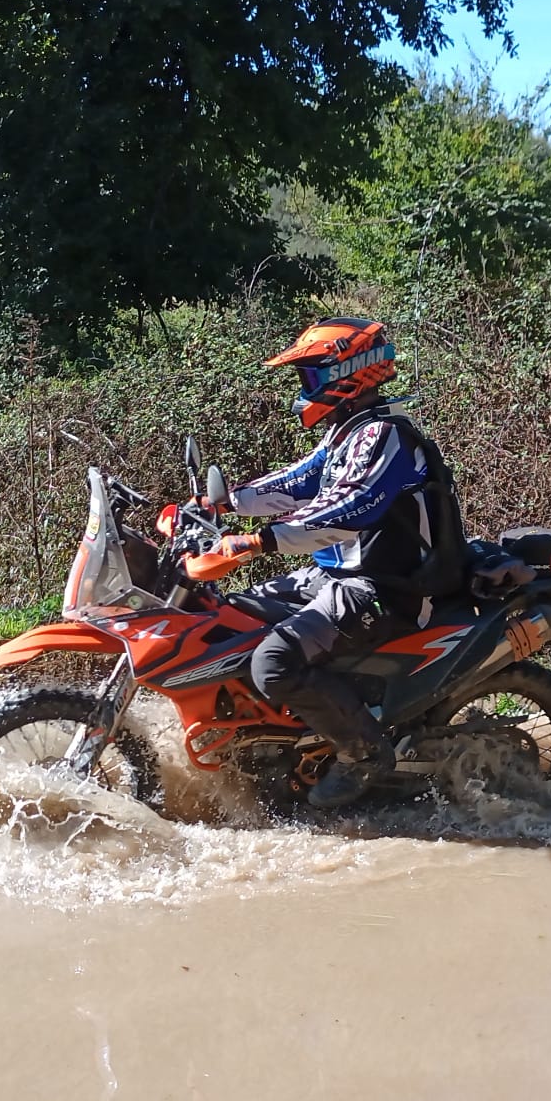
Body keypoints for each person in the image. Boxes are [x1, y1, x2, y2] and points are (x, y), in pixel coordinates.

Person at [201, 316, 461, 809]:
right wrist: (219, 505)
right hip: (334, 574)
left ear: (352, 373)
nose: (306, 389)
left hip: (382, 586)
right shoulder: (349, 433)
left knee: (273, 663)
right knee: (232, 617)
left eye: (313, 376)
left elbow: (347, 509)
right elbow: (295, 483)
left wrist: (258, 542)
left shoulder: (386, 435)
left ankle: (363, 754)